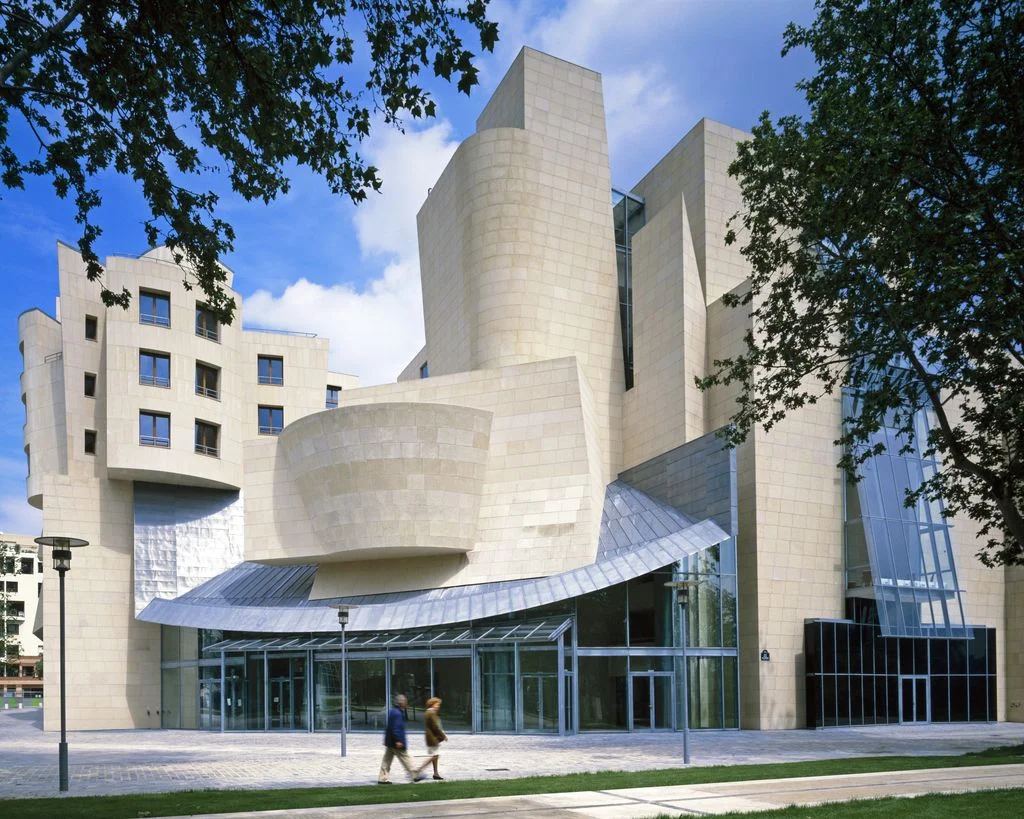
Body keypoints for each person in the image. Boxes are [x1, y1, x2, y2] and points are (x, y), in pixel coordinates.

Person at [377, 694, 420, 784]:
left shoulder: (395, 711)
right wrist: (398, 740)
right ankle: (414, 775)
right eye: (405, 702)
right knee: (405, 757)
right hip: (396, 742)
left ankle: (382, 778)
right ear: (401, 703)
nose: (406, 703)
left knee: (387, 760)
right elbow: (395, 728)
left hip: (391, 742)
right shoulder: (397, 713)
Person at [417, 696, 448, 780]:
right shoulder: (431, 713)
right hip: (433, 738)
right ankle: (418, 771)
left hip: (431, 738)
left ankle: (436, 773)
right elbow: (436, 727)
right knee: (434, 756)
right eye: (437, 704)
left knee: (435, 755)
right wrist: (443, 736)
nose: (438, 706)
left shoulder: (429, 713)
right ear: (432, 704)